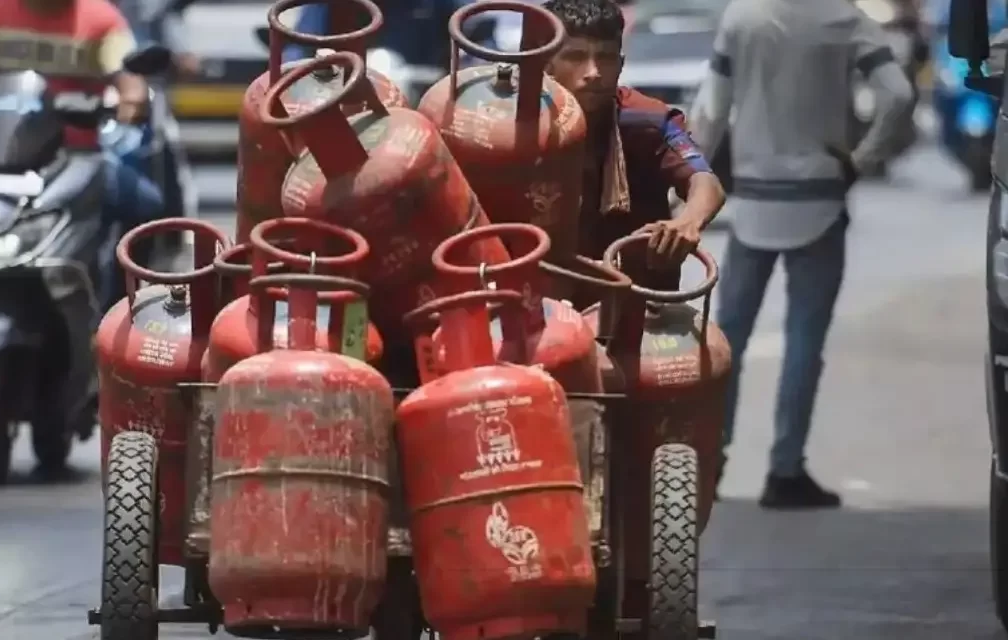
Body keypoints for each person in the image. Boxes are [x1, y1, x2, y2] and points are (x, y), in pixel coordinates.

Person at [689, 0, 913, 508]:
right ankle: (785, 470)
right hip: (820, 199)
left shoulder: (740, 17)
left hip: (753, 202)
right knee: (804, 341)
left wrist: (693, 184)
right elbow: (898, 94)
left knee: (729, 339)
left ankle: (711, 462)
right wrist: (864, 158)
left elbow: (712, 111)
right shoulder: (845, 18)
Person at [0, 0, 166, 375]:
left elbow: (128, 79)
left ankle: (117, 327)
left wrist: (131, 99)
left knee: (146, 207)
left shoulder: (100, 18)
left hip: (73, 155)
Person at [539, 0, 725, 303]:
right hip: (544, 306)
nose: (593, 72)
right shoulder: (513, 125)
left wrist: (688, 221)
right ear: (546, 64)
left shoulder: (649, 119)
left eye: (606, 58)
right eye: (575, 56)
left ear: (621, 64)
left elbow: (704, 180)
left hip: (638, 304)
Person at [284, 0, 496, 67]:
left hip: (424, 107)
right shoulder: (326, 4)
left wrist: (478, 67)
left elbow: (477, 40)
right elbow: (297, 48)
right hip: (340, 102)